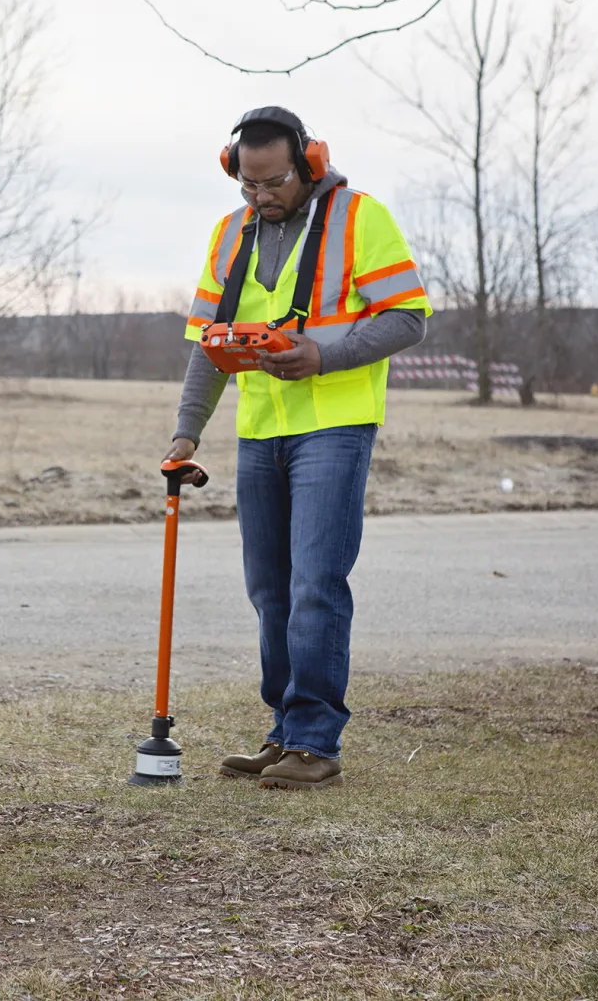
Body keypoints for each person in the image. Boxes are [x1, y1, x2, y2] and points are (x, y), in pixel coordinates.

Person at [165, 106, 432, 790]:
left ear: (308, 162)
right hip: (261, 433)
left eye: (274, 181)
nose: (260, 196)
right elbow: (210, 345)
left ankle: (316, 740)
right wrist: (184, 433)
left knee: (316, 583)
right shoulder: (232, 234)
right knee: (271, 590)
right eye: (247, 184)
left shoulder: (357, 217)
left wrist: (323, 355)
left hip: (335, 427)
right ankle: (283, 730)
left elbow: (409, 318)